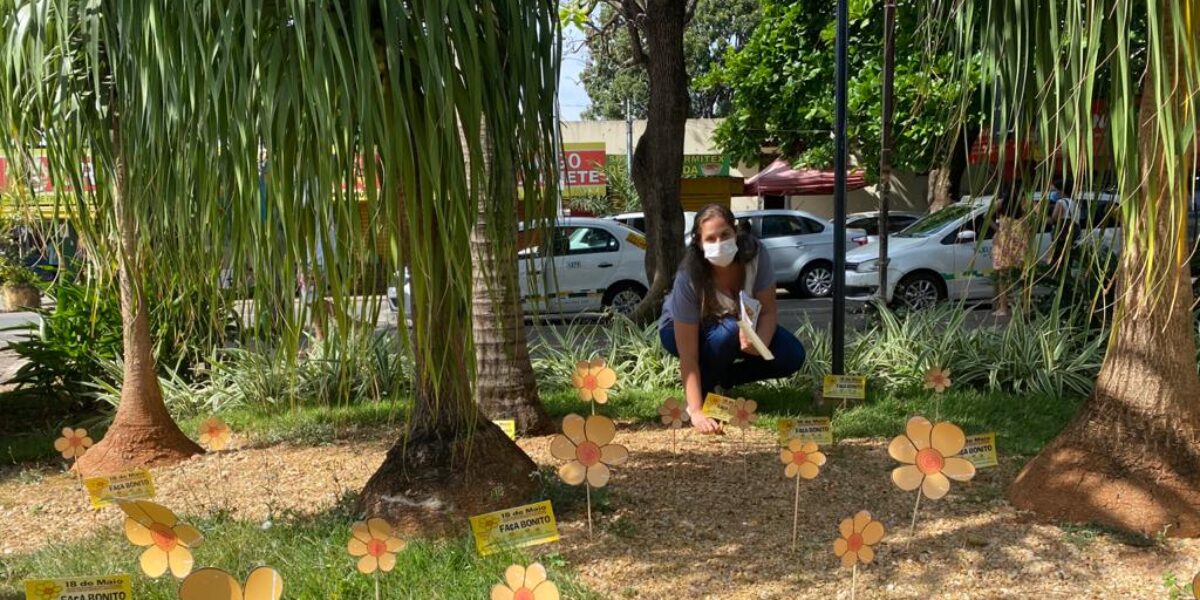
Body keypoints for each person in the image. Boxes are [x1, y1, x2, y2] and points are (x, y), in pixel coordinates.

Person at [659, 204, 807, 434]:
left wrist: (761, 343)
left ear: (736, 232)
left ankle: (724, 379)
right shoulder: (688, 276)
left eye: (725, 234)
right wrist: (696, 411)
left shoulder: (757, 255)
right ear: (699, 243)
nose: (719, 243)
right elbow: (688, 356)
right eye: (711, 238)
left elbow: (768, 311)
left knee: (791, 354)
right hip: (681, 330)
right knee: (728, 332)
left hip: (739, 324)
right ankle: (706, 393)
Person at [991, 188, 1029, 317]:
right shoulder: (1024, 202)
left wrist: (999, 230)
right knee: (1023, 275)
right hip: (1020, 240)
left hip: (1004, 241)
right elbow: (1031, 219)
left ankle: (1003, 308)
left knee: (1003, 275)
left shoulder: (1000, 202)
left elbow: (986, 217)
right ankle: (1024, 307)